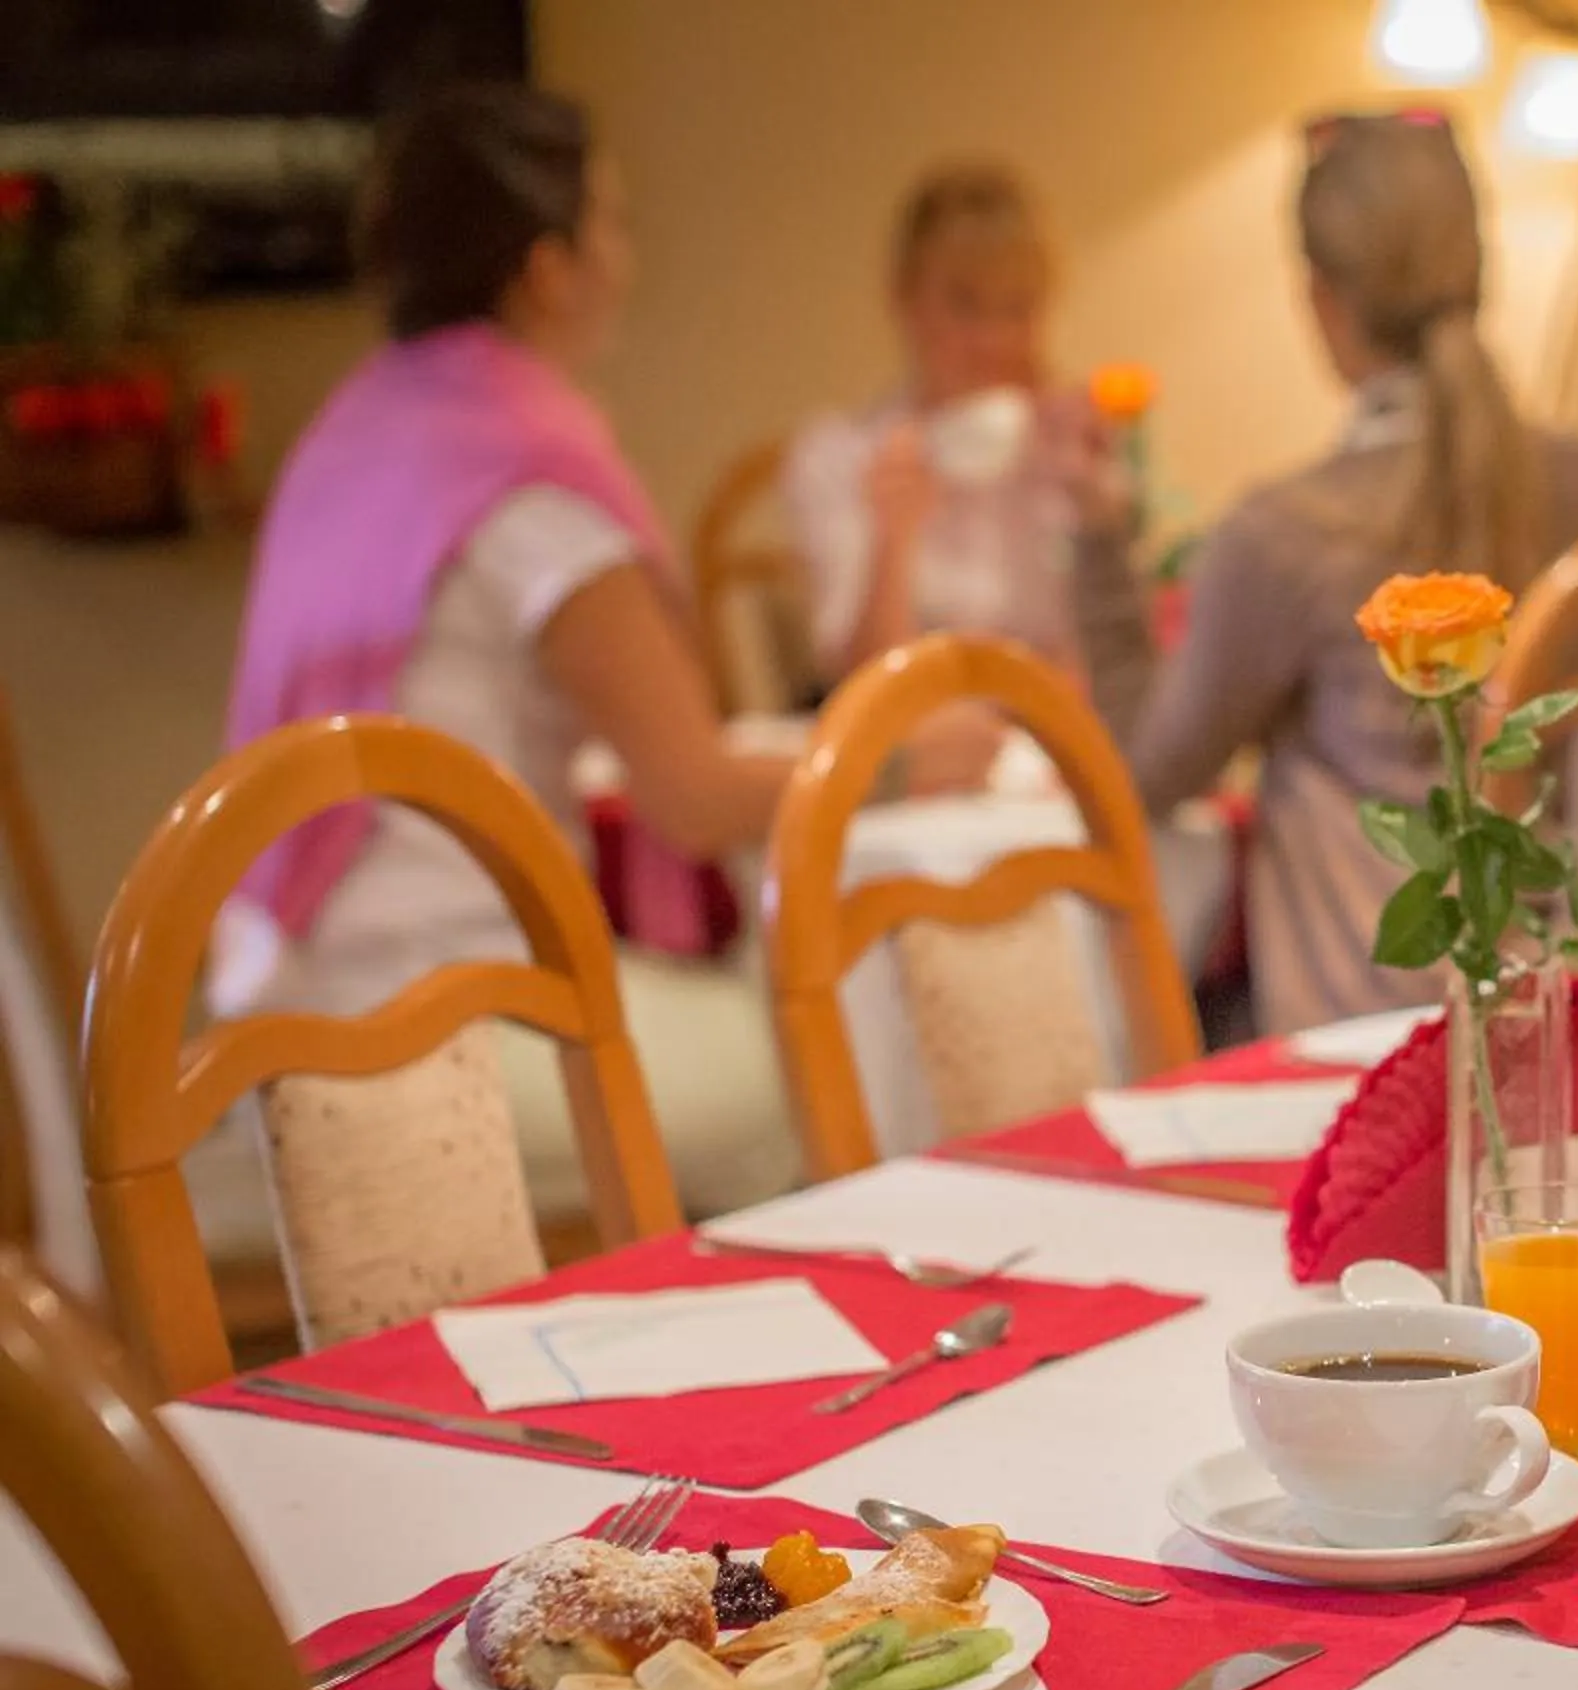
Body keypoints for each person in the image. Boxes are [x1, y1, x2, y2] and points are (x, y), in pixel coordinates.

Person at [216, 84, 997, 1217]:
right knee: (835, 1057)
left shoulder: (357, 436)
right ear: (548, 270)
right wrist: (907, 763)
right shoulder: (519, 481)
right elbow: (689, 794)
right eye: (613, 225)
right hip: (432, 1024)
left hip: (292, 1003)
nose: (627, 259)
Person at [1072, 112, 1578, 1033]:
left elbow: (1141, 778)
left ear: (1322, 301)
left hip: (1379, 1038)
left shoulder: (1287, 536)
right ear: (1481, 273)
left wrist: (1098, 549)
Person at [784, 162, 1116, 685]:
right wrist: (892, 538)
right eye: (965, 304)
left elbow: (1122, 666)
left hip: (1048, 724)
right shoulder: (839, 457)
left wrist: (1099, 512)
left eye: (1018, 307)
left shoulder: (1069, 455)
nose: (993, 339)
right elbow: (860, 687)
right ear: (905, 299)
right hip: (916, 727)